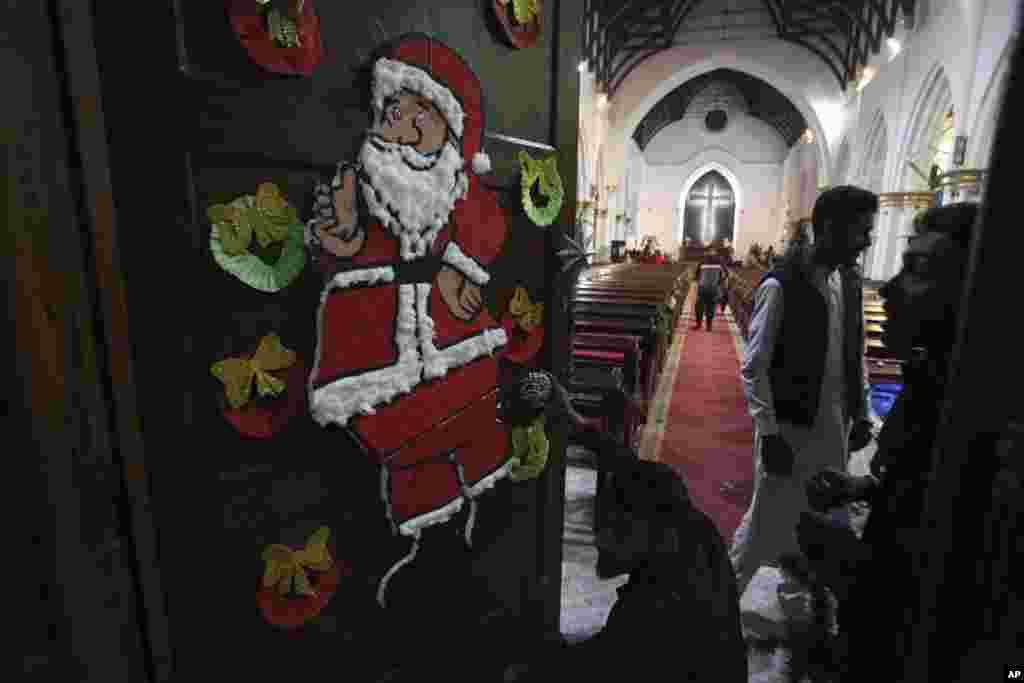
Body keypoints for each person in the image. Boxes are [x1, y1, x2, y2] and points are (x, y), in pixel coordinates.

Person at [305, 34, 518, 602]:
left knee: (470, 417)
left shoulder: (457, 184)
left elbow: (487, 227)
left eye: (418, 110)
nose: (400, 123)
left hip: (451, 333)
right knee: (400, 434)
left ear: (445, 125)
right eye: (393, 108)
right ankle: (433, 547)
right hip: (373, 338)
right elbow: (340, 252)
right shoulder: (366, 178)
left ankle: (484, 506)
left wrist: (460, 268)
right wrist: (342, 233)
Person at [797, 202, 982, 681]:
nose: (893, 289)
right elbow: (925, 483)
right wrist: (863, 490)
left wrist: (843, 565)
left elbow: (940, 588)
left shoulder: (975, 409)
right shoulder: (934, 379)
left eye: (919, 271)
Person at [511, 419, 748, 682]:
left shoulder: (649, 611)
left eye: (613, 529)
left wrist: (527, 667)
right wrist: (582, 430)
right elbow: (635, 472)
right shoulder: (692, 528)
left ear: (642, 528)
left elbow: (591, 665)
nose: (600, 541)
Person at [728, 185, 877, 594]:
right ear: (828, 227)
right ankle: (719, 602)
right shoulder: (781, 285)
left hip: (834, 425)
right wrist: (769, 433)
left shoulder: (847, 283)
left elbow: (854, 353)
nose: (867, 241)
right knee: (765, 524)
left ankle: (805, 594)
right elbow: (754, 368)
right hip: (789, 430)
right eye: (861, 231)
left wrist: (861, 410)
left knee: (823, 518)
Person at [693, 255, 724, 331]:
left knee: (699, 306)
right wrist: (719, 282)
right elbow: (725, 275)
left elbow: (696, 275)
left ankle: (699, 324)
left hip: (703, 287)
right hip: (713, 287)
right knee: (710, 307)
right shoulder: (719, 262)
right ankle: (708, 326)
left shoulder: (702, 261)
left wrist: (699, 281)